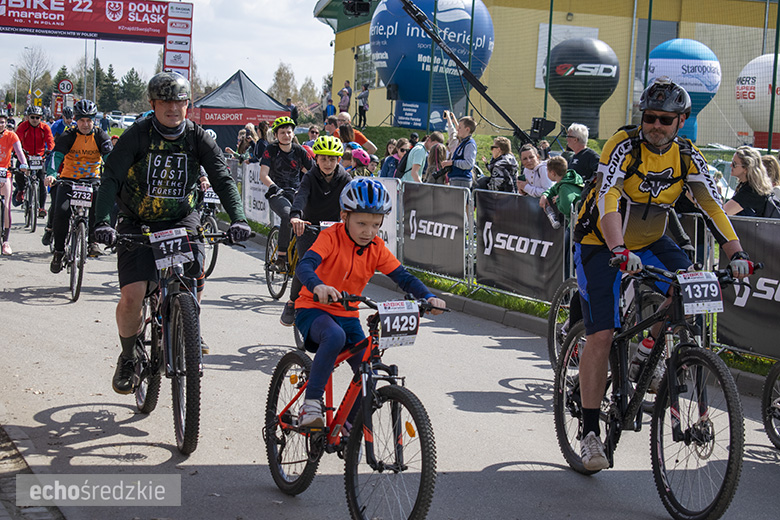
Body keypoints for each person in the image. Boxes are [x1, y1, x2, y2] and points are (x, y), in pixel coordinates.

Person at [572, 77, 751, 471]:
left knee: (689, 286)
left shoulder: (687, 156)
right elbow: (608, 196)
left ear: (681, 121)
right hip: (600, 242)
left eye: (665, 119)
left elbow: (712, 205)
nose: (655, 125)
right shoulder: (623, 144)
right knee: (601, 333)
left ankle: (645, 354)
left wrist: (736, 253)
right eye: (650, 117)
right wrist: (618, 249)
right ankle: (590, 433)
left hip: (651, 239)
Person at [92, 72, 250, 394]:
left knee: (193, 274)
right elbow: (111, 180)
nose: (173, 108)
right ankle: (128, 356)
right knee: (132, 296)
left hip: (181, 220)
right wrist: (103, 222)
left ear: (187, 104)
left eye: (179, 101)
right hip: (138, 221)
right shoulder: (137, 135)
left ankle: (188, 323)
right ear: (153, 104)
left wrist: (239, 219)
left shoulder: (197, 137)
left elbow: (222, 179)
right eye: (165, 101)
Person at [293, 178, 446, 426]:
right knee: (334, 336)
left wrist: (427, 296)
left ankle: (347, 428)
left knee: (370, 372)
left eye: (376, 224)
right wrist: (317, 285)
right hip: (313, 308)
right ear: (344, 216)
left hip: (348, 315)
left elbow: (403, 277)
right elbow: (305, 266)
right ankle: (310, 405)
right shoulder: (330, 237)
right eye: (361, 223)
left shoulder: (376, 247)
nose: (369, 231)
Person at [280, 135, 353, 326]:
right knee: (306, 263)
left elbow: (352, 201)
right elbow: (301, 196)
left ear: (339, 160)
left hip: (334, 228)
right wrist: (296, 216)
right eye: (323, 159)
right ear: (316, 159)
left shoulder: (345, 178)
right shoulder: (310, 177)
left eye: (332, 159)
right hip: (308, 225)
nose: (328, 163)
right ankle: (292, 302)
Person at [45, 99, 112, 271]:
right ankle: (59, 251)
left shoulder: (101, 136)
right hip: (69, 179)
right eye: (82, 120)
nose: (85, 124)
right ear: (76, 120)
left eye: (89, 120)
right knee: (61, 212)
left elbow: (111, 160)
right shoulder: (68, 135)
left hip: (92, 179)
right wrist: (52, 174)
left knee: (99, 208)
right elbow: (56, 156)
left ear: (94, 120)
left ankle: (93, 242)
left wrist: (115, 176)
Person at [259, 115, 313, 270]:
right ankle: (281, 258)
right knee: (287, 215)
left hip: (296, 192)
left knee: (308, 218)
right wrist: (273, 186)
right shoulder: (271, 150)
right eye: (282, 132)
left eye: (289, 132)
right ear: (276, 135)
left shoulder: (299, 151)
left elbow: (313, 171)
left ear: (293, 134)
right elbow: (263, 174)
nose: (286, 135)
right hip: (278, 193)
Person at [13, 105, 55, 215]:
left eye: (37, 117)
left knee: (42, 181)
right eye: (32, 117)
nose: (35, 120)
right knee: (18, 172)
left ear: (41, 118)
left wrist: (50, 150)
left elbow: (50, 140)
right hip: (25, 155)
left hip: (39, 157)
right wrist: (16, 152)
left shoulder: (45, 127)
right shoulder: (23, 126)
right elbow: (17, 140)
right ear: (28, 117)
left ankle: (41, 207)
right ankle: (21, 190)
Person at [0, 113, 29, 254]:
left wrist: (24, 164)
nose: (0, 125)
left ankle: (6, 241)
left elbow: (19, 152)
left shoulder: (11, 135)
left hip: (5, 173)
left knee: (6, 206)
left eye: (2, 122)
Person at [723, 146, 777, 218]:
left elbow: (722, 213)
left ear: (746, 168)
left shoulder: (750, 191)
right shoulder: (753, 187)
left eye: (734, 164)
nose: (730, 165)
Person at [441, 116, 477, 189]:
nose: (457, 129)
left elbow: (468, 164)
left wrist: (452, 162)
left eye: (460, 127)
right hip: (456, 179)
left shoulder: (470, 144)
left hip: (462, 181)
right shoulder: (463, 143)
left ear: (467, 129)